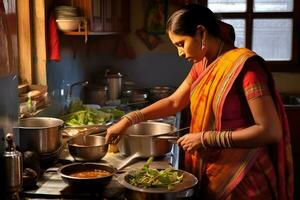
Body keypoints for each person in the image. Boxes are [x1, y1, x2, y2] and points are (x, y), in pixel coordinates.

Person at [105, 4, 294, 200]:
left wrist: (205, 139)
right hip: (213, 173)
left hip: (245, 178)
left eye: (181, 44)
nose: (180, 53)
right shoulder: (203, 65)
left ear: (201, 33)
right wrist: (128, 120)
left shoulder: (246, 68)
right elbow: (174, 102)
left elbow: (270, 131)